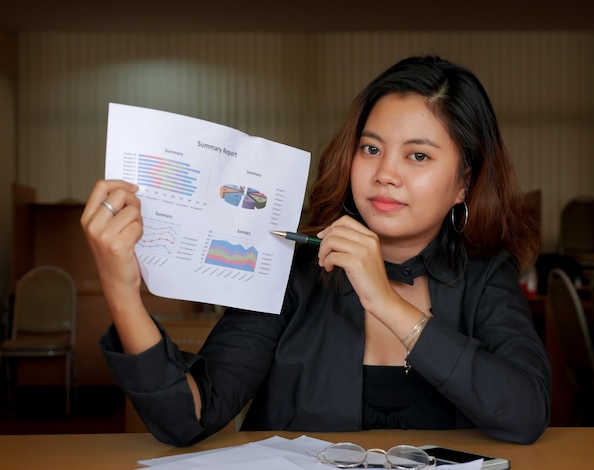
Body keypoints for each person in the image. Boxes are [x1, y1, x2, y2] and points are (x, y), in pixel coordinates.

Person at [81, 55, 551, 447]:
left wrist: (385, 302)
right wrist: (121, 292)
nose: (385, 173)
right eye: (371, 149)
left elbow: (526, 413)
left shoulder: (489, 277)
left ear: (463, 185)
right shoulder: (291, 271)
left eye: (418, 155)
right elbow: (187, 416)